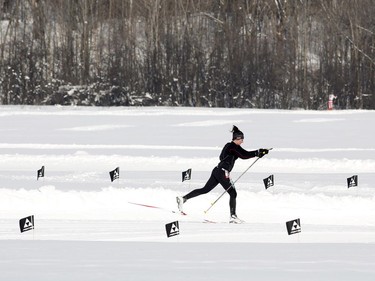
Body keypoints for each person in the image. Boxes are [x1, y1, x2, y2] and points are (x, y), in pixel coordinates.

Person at [176, 125, 269, 223]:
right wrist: (258, 152)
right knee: (233, 193)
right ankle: (233, 217)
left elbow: (224, 157)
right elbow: (244, 155)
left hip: (217, 170)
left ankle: (183, 198)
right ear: (237, 138)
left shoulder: (229, 146)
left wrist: (259, 152)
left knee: (205, 189)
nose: (243, 141)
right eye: (241, 139)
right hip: (222, 172)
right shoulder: (233, 147)